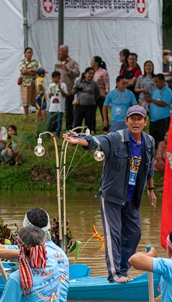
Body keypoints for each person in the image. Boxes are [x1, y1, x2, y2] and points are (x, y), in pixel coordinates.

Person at [63, 105, 156, 283]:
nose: (136, 122)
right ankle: (114, 275)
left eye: (139, 119)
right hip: (112, 195)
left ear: (145, 122)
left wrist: (151, 191)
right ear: (126, 121)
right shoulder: (116, 138)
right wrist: (79, 140)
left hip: (132, 196)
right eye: (132, 119)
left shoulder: (149, 141)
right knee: (113, 234)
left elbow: (149, 167)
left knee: (134, 233)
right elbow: (96, 141)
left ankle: (123, 269)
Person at [55, 45, 80, 127]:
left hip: (68, 90)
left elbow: (77, 73)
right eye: (58, 51)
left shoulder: (73, 62)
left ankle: (69, 127)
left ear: (66, 52)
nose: (59, 53)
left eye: (60, 51)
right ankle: (54, 126)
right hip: (58, 90)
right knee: (56, 108)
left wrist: (68, 70)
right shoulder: (57, 63)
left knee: (69, 110)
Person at [147, 74, 172, 148]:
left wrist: (152, 100)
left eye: (157, 82)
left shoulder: (168, 91)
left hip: (163, 118)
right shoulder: (155, 91)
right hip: (153, 120)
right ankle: (155, 156)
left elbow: (164, 103)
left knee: (164, 139)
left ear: (162, 81)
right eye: (155, 82)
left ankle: (165, 156)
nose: (156, 84)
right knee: (152, 140)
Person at [73, 67, 101, 132]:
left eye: (92, 74)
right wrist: (75, 89)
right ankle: (75, 139)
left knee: (88, 124)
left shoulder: (94, 84)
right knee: (77, 123)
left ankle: (87, 140)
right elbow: (73, 92)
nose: (91, 75)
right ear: (85, 74)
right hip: (80, 105)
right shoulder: (79, 82)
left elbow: (98, 94)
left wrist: (92, 100)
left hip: (90, 106)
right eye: (89, 73)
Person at [19, 47, 41, 120]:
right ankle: (26, 116)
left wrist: (29, 70)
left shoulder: (35, 61)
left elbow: (40, 69)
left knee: (36, 98)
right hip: (25, 83)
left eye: (30, 52)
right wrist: (33, 71)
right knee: (25, 99)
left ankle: (39, 116)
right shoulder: (22, 62)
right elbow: (23, 71)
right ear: (25, 54)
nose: (29, 54)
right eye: (28, 52)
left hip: (34, 82)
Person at [91, 56, 110, 131]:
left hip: (101, 94)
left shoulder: (103, 72)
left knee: (103, 110)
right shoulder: (91, 71)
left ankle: (105, 127)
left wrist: (107, 95)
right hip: (92, 94)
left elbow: (107, 83)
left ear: (96, 63)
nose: (91, 62)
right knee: (92, 111)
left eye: (92, 61)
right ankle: (92, 128)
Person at [48, 71, 67, 135]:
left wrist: (60, 88)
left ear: (59, 78)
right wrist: (50, 92)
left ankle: (57, 134)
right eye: (54, 78)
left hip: (60, 107)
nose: (55, 79)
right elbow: (49, 96)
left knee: (59, 121)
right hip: (52, 107)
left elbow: (65, 95)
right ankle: (47, 133)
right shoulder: (51, 85)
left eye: (57, 77)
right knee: (49, 120)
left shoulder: (63, 85)